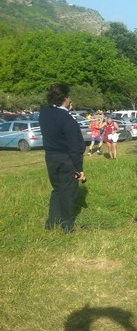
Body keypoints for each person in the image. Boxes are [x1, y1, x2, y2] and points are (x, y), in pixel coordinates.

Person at [39, 84, 86, 232]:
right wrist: (79, 169)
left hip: (50, 156)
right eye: (69, 97)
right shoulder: (67, 119)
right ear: (65, 98)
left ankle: (52, 222)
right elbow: (73, 147)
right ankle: (68, 225)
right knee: (68, 192)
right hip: (66, 158)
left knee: (57, 189)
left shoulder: (44, 113)